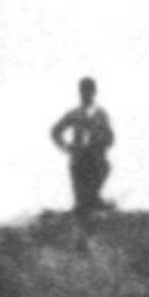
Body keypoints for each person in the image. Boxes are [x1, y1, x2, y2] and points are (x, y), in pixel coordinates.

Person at [51, 76, 115, 217]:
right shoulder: (74, 114)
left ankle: (93, 200)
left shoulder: (101, 114)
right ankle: (88, 203)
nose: (86, 94)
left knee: (105, 168)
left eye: (89, 91)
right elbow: (55, 131)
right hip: (79, 161)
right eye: (83, 91)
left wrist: (101, 142)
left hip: (96, 160)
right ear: (79, 92)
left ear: (94, 92)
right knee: (82, 205)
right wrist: (66, 146)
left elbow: (111, 137)